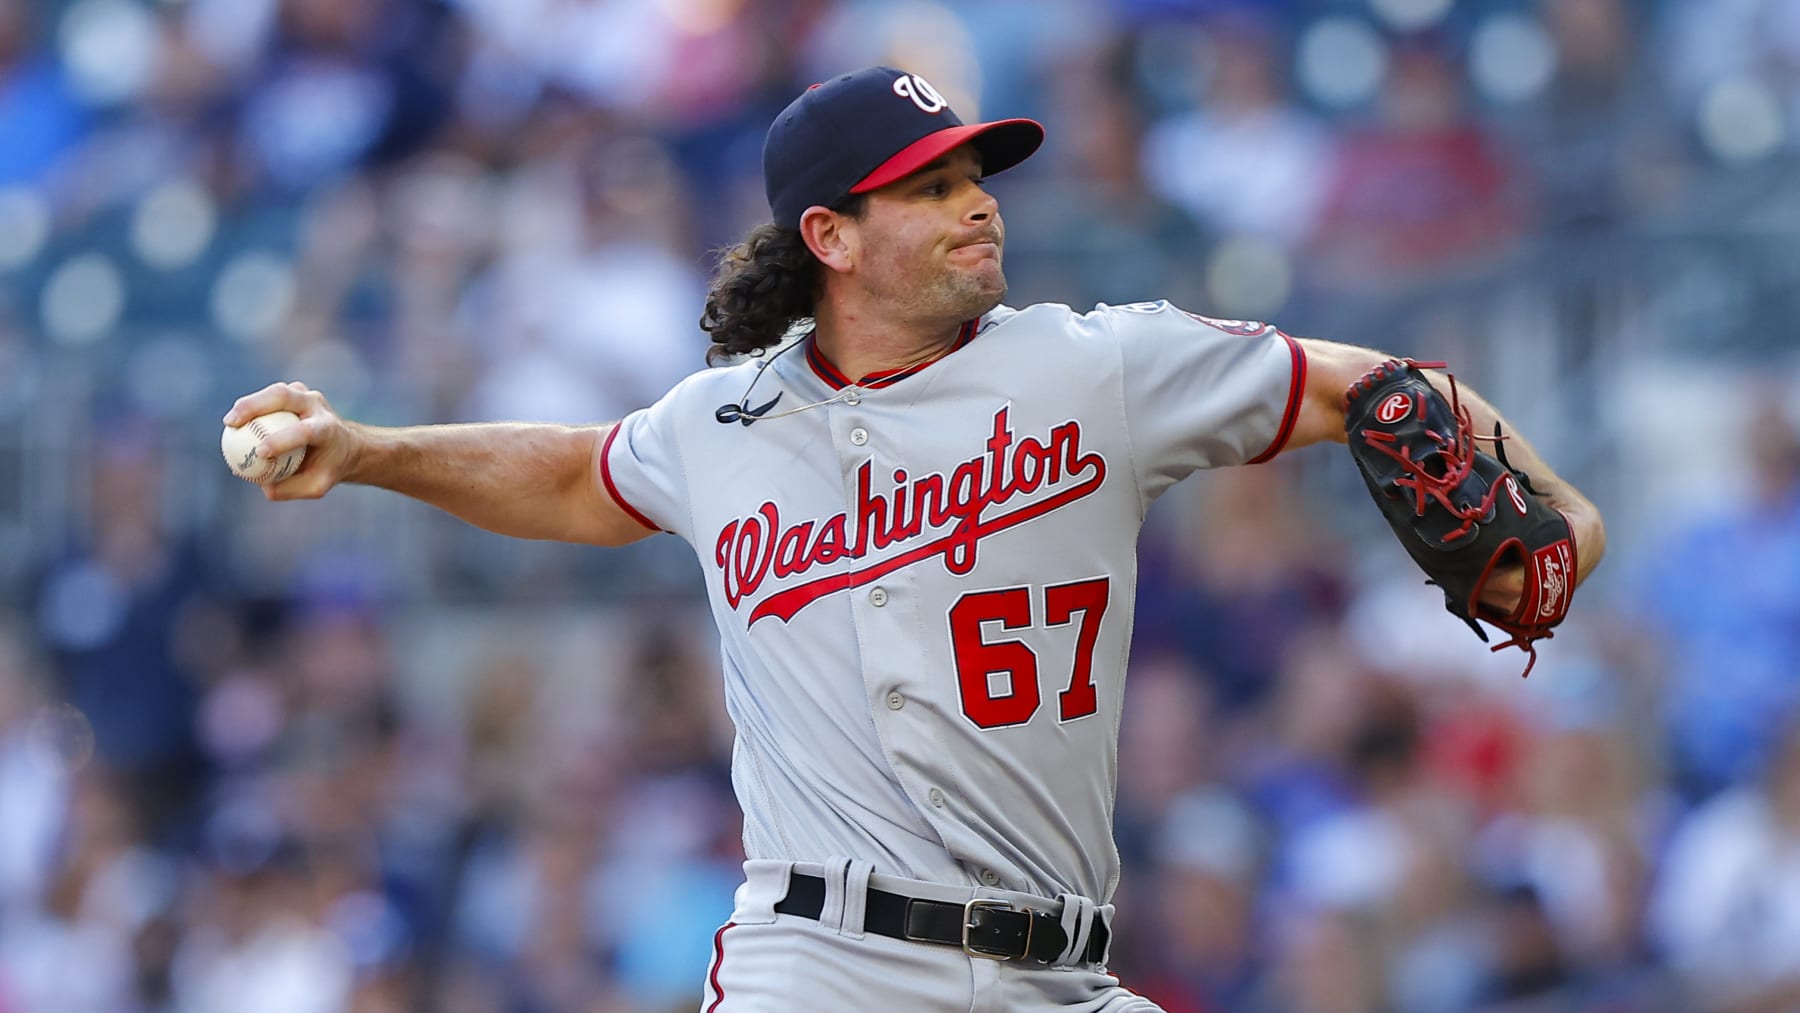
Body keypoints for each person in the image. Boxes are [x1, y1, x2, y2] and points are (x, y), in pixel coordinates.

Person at [223, 66, 1606, 1012]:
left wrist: (1561, 507)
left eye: (974, 172)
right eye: (931, 185)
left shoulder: (1092, 368)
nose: (977, 199)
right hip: (821, 960)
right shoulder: (727, 421)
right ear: (829, 232)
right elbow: (584, 475)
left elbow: (1370, 387)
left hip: (1059, 968)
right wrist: (371, 451)